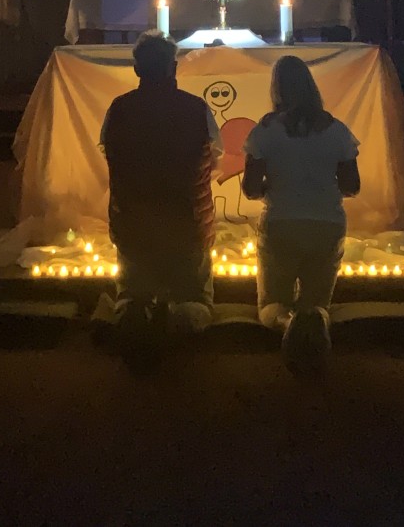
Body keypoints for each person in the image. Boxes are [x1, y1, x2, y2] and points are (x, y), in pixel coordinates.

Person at [100, 31, 223, 358]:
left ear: (137, 69)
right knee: (195, 300)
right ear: (174, 67)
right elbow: (214, 159)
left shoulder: (120, 109)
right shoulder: (195, 108)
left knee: (131, 295)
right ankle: (178, 334)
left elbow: (110, 154)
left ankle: (135, 322)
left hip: (134, 225)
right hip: (187, 226)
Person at [242, 55, 360, 375]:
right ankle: (313, 323)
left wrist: (273, 186)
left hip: (281, 222)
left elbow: (250, 189)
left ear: (277, 89)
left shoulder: (266, 131)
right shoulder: (337, 131)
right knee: (318, 303)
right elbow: (352, 186)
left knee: (270, 305)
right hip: (327, 223)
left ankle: (288, 322)